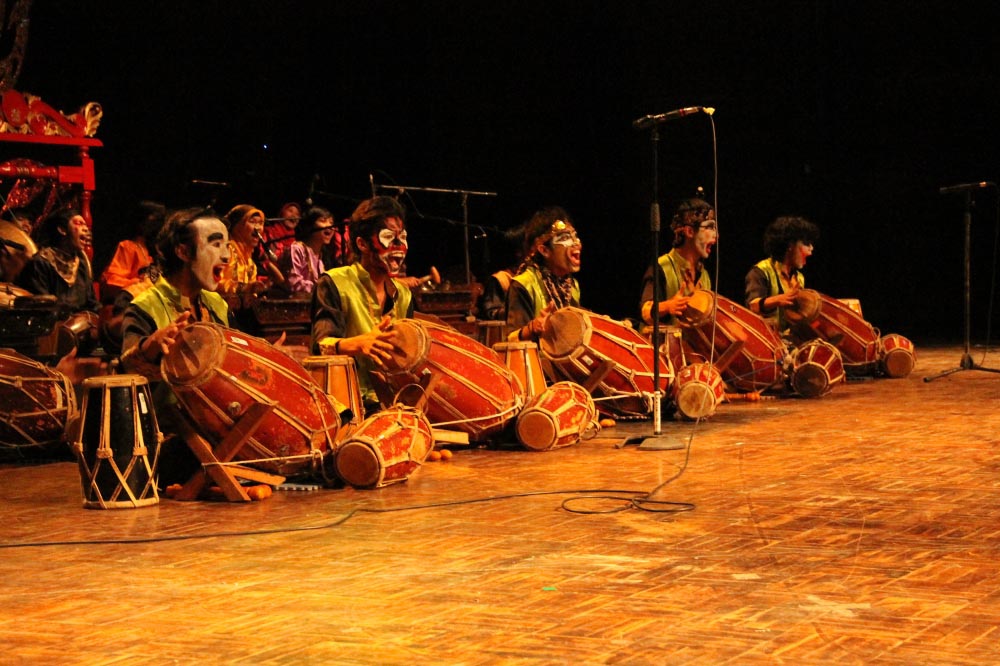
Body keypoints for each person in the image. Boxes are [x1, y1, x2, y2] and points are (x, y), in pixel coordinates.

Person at [119, 207, 233, 485]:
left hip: (216, 430)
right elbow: (128, 363)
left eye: (227, 245)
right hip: (168, 440)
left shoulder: (217, 305)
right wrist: (151, 346)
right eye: (216, 244)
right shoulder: (144, 307)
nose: (227, 255)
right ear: (183, 252)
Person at [311, 196, 413, 410]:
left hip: (394, 405)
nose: (398, 246)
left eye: (402, 238)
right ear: (362, 244)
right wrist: (360, 343)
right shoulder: (334, 282)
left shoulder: (403, 294)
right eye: (388, 238)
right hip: (346, 404)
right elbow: (321, 347)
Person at [638, 197, 718, 328]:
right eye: (709, 227)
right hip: (660, 347)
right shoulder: (662, 267)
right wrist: (668, 306)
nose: (716, 235)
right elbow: (645, 310)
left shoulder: (704, 276)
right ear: (689, 231)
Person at [505, 206, 582, 342]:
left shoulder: (571, 285)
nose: (576, 243)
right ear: (544, 250)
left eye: (575, 236)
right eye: (565, 238)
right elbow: (510, 340)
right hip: (535, 361)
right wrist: (532, 328)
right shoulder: (524, 284)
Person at [16, 208, 98, 316]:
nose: (85, 229)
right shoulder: (41, 262)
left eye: (85, 225)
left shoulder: (81, 264)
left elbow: (91, 304)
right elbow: (40, 307)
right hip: (51, 326)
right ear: (62, 230)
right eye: (79, 223)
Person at [744, 215, 819, 333]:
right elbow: (752, 306)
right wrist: (779, 299)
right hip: (766, 342)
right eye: (806, 243)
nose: (811, 248)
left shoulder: (799, 278)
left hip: (790, 343)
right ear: (790, 245)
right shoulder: (761, 271)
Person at [98, 200, 166, 304]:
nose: (158, 226)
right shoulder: (128, 247)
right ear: (142, 222)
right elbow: (110, 280)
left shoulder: (155, 253)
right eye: (155, 220)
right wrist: (141, 284)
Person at [277, 206, 335, 297]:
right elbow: (294, 284)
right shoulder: (297, 249)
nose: (330, 226)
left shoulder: (321, 257)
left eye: (331, 222)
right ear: (310, 226)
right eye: (323, 221)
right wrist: (321, 288)